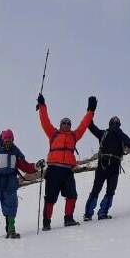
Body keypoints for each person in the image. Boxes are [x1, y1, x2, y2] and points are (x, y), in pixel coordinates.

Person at [37, 93, 96, 230]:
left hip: (67, 171)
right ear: (60, 125)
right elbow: (44, 121)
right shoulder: (53, 133)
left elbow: (84, 124)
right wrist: (42, 105)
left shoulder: (74, 136)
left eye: (68, 123)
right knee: (50, 198)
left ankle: (68, 219)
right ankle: (46, 222)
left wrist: (91, 111)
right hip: (53, 170)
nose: (66, 125)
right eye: (64, 123)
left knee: (72, 195)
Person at [0, 130, 40, 239]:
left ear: (12, 140)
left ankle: (11, 230)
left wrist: (36, 166)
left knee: (11, 207)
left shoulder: (16, 152)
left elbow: (25, 166)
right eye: (6, 139)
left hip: (10, 185)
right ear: (3, 140)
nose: (8, 142)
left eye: (10, 140)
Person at [83, 116, 130, 220]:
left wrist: (120, 133)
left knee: (107, 190)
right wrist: (90, 113)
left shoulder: (117, 135)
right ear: (110, 124)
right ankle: (92, 214)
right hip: (106, 166)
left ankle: (97, 213)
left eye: (117, 124)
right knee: (99, 190)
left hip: (110, 167)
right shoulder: (105, 134)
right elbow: (91, 126)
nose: (115, 126)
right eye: (113, 124)